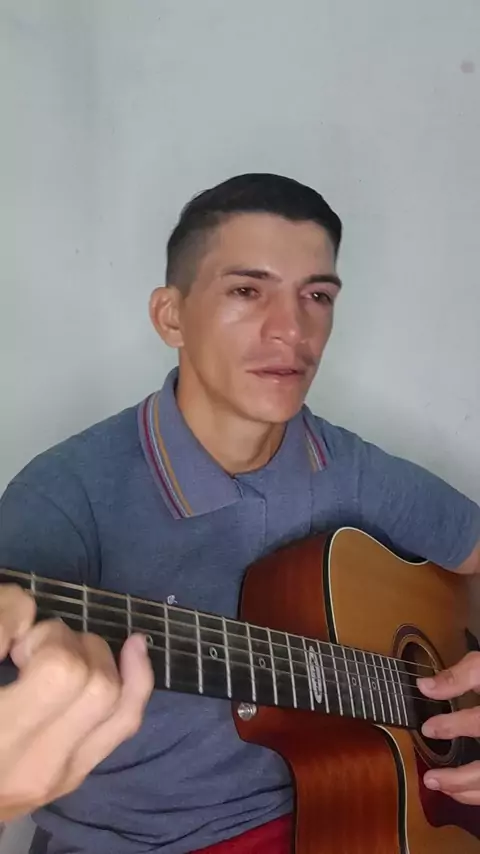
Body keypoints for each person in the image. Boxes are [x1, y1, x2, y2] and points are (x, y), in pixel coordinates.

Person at [0, 173, 479, 854]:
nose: (292, 330)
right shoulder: (62, 499)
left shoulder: (348, 467)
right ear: (171, 316)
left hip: (349, 813)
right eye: (247, 291)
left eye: (317, 296)